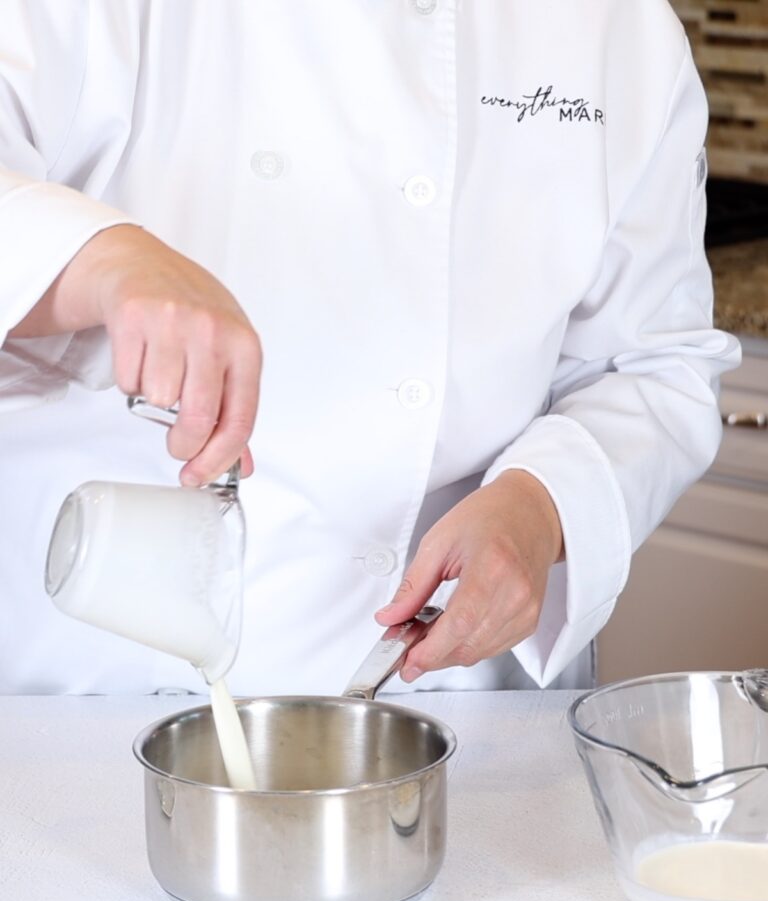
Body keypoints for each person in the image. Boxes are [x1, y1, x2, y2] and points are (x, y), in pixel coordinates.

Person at [0, 0, 739, 696]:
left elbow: (654, 362)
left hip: (456, 709)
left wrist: (541, 508)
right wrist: (102, 263)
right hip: (98, 693)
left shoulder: (619, 28)